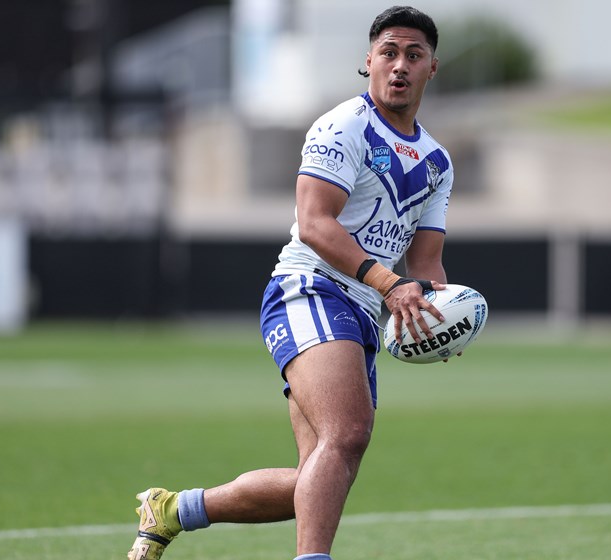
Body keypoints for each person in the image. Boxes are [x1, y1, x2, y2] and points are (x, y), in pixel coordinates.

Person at [127, 6, 454, 560]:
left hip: (362, 310)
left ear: (431, 68)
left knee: (319, 474)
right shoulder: (343, 124)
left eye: (413, 55)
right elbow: (315, 222)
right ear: (368, 62)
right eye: (389, 53)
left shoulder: (438, 161)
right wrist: (388, 283)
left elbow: (425, 260)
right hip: (309, 288)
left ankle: (174, 509)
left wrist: (438, 315)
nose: (400, 65)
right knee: (348, 434)